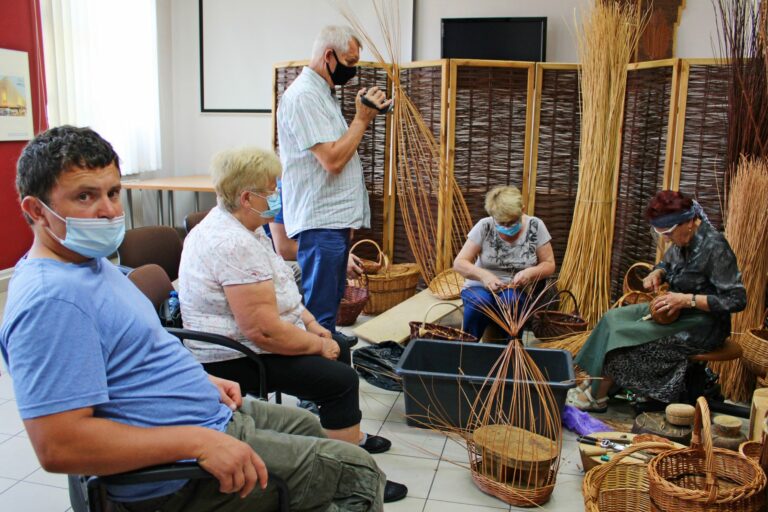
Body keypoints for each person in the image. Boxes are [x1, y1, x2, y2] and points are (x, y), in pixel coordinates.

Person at [1, 125, 391, 511]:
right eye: (85, 196)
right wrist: (198, 443)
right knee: (357, 474)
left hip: (204, 411)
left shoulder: (90, 264)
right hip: (177, 471)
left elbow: (137, 353)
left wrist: (200, 380)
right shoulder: (51, 302)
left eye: (113, 193)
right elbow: (59, 446)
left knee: (307, 426)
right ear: (36, 210)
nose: (109, 210)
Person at [178, 147, 407, 502]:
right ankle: (349, 477)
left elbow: (280, 286)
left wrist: (312, 323)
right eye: (271, 191)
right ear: (246, 197)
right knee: (340, 380)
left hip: (250, 341)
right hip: (232, 358)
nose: (277, 197)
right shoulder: (231, 243)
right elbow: (263, 331)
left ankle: (346, 440)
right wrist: (317, 345)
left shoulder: (244, 225)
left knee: (339, 346)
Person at [570, 190, 747, 412]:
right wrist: (657, 273)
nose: (666, 238)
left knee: (625, 339)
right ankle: (590, 378)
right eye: (661, 233)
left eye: (669, 233)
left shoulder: (715, 247)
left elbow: (736, 299)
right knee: (612, 319)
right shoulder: (683, 239)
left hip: (703, 324)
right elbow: (667, 263)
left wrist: (688, 300)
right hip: (675, 308)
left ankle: (597, 395)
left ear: (689, 222)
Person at [277, 25, 391, 347]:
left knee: (330, 301)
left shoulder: (322, 94)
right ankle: (318, 370)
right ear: (329, 56)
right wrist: (362, 119)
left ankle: (330, 346)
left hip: (332, 219)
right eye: (349, 62)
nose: (352, 70)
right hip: (320, 221)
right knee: (319, 311)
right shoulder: (303, 96)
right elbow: (332, 159)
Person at [453, 185, 556, 340]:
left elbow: (549, 264)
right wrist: (484, 276)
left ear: (522, 209)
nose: (507, 227)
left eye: (512, 222)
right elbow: (459, 263)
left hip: (515, 289)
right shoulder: (484, 226)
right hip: (479, 286)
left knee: (512, 301)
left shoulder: (535, 226)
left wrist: (530, 273)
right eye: (501, 223)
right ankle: (467, 347)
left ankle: (510, 347)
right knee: (480, 303)